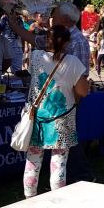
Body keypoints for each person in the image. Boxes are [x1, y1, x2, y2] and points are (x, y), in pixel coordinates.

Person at [8, 2, 94, 182]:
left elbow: (79, 85)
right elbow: (82, 84)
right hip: (61, 109)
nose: (50, 18)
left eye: (53, 15)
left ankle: (78, 176)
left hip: (51, 109)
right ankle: (68, 183)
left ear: (63, 19)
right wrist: (15, 26)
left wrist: (75, 103)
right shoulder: (59, 44)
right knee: (59, 158)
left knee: (37, 157)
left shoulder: (40, 55)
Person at [23, 25, 89, 198]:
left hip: (38, 117)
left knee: (33, 162)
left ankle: (29, 198)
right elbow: (83, 91)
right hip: (62, 119)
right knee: (59, 163)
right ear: (67, 42)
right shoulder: (73, 62)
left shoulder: (35, 56)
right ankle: (57, 199)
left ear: (48, 39)